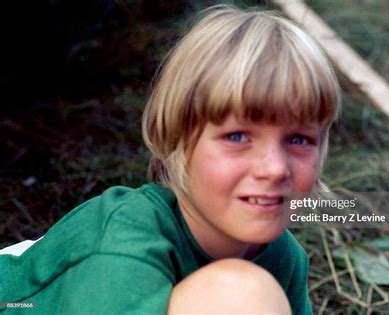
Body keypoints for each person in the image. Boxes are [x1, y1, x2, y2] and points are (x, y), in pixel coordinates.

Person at [0, 5, 340, 314]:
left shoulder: (284, 257)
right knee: (240, 295)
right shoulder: (120, 248)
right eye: (236, 137)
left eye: (299, 140)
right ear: (174, 138)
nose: (275, 168)